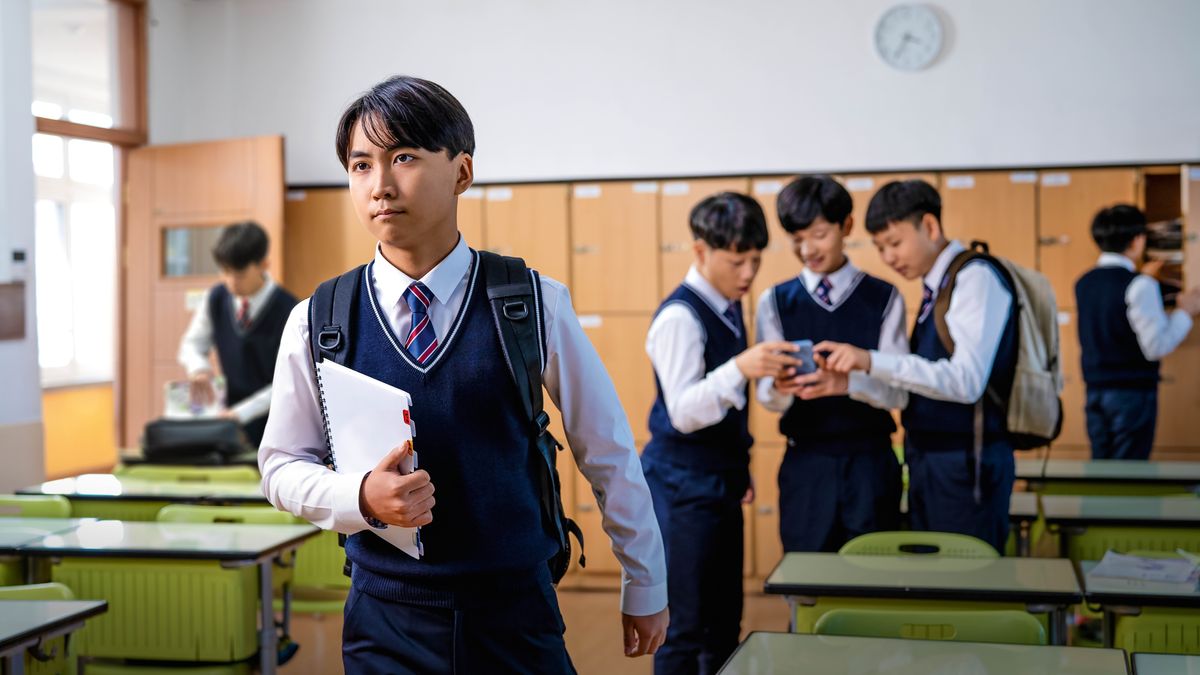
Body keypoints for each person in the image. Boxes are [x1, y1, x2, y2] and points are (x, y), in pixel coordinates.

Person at [258, 75, 668, 673]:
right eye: (361, 164)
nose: (381, 185)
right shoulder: (318, 318)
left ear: (462, 172)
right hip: (385, 617)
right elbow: (279, 466)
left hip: (513, 610)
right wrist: (359, 497)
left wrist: (645, 578)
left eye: (404, 158)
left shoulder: (530, 303)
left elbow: (606, 450)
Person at [812, 179, 1018, 553]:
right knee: (935, 583)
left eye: (894, 243)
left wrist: (871, 360)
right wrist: (850, 383)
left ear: (930, 226)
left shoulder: (974, 279)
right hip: (933, 460)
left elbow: (967, 381)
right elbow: (920, 386)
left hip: (966, 465)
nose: (889, 257)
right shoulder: (937, 288)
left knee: (966, 586)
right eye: (879, 247)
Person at [643, 191, 797, 675]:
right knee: (683, 626)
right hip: (682, 485)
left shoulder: (729, 308)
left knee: (723, 621)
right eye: (738, 261)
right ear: (701, 251)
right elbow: (685, 412)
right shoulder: (680, 318)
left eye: (755, 261)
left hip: (718, 481)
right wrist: (740, 368)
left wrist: (740, 467)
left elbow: (729, 413)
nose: (749, 273)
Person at [756, 175, 905, 553]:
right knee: (805, 578)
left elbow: (900, 392)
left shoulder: (884, 298)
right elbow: (765, 395)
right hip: (807, 462)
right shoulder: (774, 302)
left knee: (875, 579)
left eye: (819, 234)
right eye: (796, 238)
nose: (807, 249)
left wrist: (847, 384)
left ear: (847, 227)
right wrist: (780, 389)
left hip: (870, 462)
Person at [1075, 204, 1200, 460]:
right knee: (1129, 472)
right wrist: (1185, 312)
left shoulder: (1085, 282)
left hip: (1095, 391)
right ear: (1138, 240)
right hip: (1131, 394)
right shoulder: (1140, 285)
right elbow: (1156, 346)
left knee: (1101, 468)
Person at [177, 221, 297, 446]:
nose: (230, 282)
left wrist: (242, 413)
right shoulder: (215, 298)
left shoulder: (290, 310)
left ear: (264, 264)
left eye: (239, 274)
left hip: (275, 423)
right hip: (229, 420)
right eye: (225, 272)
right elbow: (191, 345)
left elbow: (290, 382)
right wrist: (199, 369)